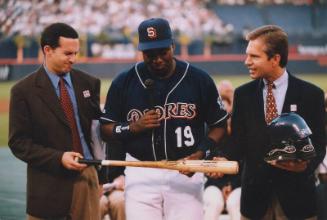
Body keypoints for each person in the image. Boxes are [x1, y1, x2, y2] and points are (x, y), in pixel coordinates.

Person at [100, 17, 228, 220]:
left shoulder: (198, 79)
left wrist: (201, 152)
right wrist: (132, 128)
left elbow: (219, 124)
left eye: (163, 52)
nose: (157, 59)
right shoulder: (124, 82)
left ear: (172, 46)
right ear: (141, 51)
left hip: (185, 171)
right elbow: (105, 129)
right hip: (141, 171)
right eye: (150, 54)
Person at [225, 25, 326, 219]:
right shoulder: (242, 94)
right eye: (247, 55)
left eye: (254, 56)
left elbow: (319, 144)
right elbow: (236, 144)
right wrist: (218, 158)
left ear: (275, 59)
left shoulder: (311, 95)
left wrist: (305, 165)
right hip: (254, 201)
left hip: (297, 199)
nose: (247, 62)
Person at [8, 22, 104, 219]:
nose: (74, 59)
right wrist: (58, 158)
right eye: (68, 53)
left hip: (87, 178)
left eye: (76, 53)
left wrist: (100, 177)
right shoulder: (23, 91)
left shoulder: (89, 83)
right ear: (48, 50)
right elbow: (18, 143)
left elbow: (97, 133)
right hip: (47, 183)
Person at [203, 80, 241, 220]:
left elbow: (247, 161)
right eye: (221, 98)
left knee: (234, 203)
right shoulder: (208, 128)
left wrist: (232, 185)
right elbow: (205, 158)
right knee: (214, 202)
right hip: (214, 183)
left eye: (229, 95)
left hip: (239, 183)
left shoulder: (242, 130)